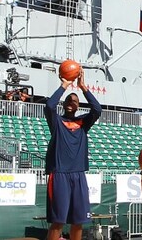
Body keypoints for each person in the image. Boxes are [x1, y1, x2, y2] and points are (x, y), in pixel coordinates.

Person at [44, 69, 102, 240]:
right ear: (63, 104)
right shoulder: (57, 122)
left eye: (75, 100)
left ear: (78, 106)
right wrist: (64, 85)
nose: (71, 101)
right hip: (59, 174)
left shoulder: (83, 123)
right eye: (69, 99)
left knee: (78, 221)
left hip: (78, 175)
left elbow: (97, 109)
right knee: (58, 221)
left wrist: (83, 87)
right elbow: (49, 106)